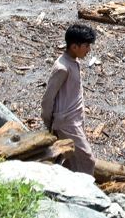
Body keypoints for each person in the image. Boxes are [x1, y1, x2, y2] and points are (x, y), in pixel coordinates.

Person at [42, 23, 97, 175]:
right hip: (67, 122)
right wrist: (48, 122)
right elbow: (48, 98)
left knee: (70, 158)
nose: (89, 50)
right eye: (86, 46)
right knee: (87, 159)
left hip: (75, 118)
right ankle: (85, 191)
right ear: (74, 47)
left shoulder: (74, 61)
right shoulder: (62, 68)